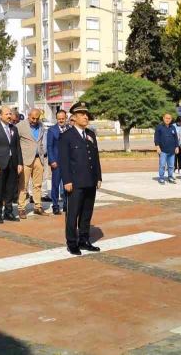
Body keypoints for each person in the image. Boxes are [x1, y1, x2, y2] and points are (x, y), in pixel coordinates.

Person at [59, 102, 102, 255]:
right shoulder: (66, 136)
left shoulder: (90, 134)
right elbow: (64, 160)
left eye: (87, 114)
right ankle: (72, 243)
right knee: (73, 214)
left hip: (90, 180)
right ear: (74, 118)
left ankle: (84, 240)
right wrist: (67, 181)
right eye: (82, 114)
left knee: (86, 212)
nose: (86, 117)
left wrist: (98, 176)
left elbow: (95, 157)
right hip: (75, 182)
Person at [0, 105, 23, 224]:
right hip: (0, 163)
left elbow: (17, 147)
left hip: (13, 163)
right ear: (0, 115)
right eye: (7, 114)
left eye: (10, 114)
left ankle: (8, 212)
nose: (9, 116)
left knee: (10, 189)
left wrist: (20, 162)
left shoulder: (14, 128)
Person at [15, 108, 48, 217]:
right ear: (28, 116)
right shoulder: (20, 126)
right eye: (33, 118)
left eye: (37, 118)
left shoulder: (41, 125)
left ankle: (37, 206)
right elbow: (15, 143)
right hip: (25, 159)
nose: (34, 120)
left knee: (38, 185)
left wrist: (43, 152)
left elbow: (41, 141)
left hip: (39, 159)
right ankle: (21, 208)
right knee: (23, 185)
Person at [47, 109, 68, 214]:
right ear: (56, 119)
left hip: (68, 163)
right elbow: (49, 146)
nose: (61, 120)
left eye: (63, 119)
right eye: (59, 119)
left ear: (66, 118)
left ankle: (66, 204)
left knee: (67, 184)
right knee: (55, 185)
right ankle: (55, 206)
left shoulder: (70, 129)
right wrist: (52, 160)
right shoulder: (52, 130)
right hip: (56, 162)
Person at [154, 113, 179, 185]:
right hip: (162, 150)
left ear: (171, 119)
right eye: (166, 118)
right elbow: (156, 138)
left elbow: (176, 138)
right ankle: (161, 178)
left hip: (172, 150)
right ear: (163, 118)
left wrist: (177, 146)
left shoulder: (173, 127)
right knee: (162, 165)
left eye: (169, 118)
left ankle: (170, 177)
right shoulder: (159, 127)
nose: (168, 119)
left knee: (171, 166)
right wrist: (157, 147)